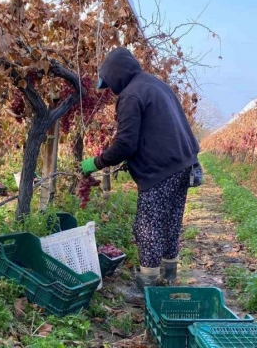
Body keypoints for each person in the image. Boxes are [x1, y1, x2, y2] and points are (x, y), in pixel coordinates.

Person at [80, 47, 200, 292]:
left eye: (110, 84)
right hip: (184, 164)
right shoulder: (155, 84)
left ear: (117, 75)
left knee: (147, 227)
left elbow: (125, 144)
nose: (111, 91)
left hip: (161, 169)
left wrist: (96, 162)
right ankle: (169, 278)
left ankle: (147, 286)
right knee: (170, 222)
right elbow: (153, 131)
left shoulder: (131, 95)